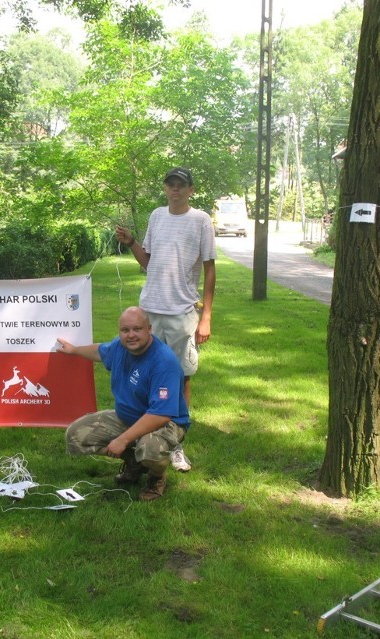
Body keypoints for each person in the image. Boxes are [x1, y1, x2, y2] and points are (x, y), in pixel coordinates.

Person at [115, 167, 216, 473]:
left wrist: (206, 316)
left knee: (181, 378)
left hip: (182, 311)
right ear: (165, 188)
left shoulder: (201, 220)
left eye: (181, 185)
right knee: (143, 378)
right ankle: (143, 440)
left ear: (190, 190)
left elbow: (210, 269)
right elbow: (148, 262)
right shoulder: (157, 216)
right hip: (150, 309)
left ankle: (176, 444)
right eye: (170, 184)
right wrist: (132, 241)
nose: (175, 190)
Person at [58, 307, 190, 502]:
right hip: (127, 417)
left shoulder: (163, 362)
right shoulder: (120, 347)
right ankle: (135, 462)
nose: (131, 335)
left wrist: (122, 440)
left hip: (165, 422)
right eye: (125, 330)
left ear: (149, 329)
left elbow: (161, 414)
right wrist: (74, 350)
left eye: (137, 329)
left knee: (150, 450)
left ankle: (156, 478)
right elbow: (100, 351)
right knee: (76, 436)